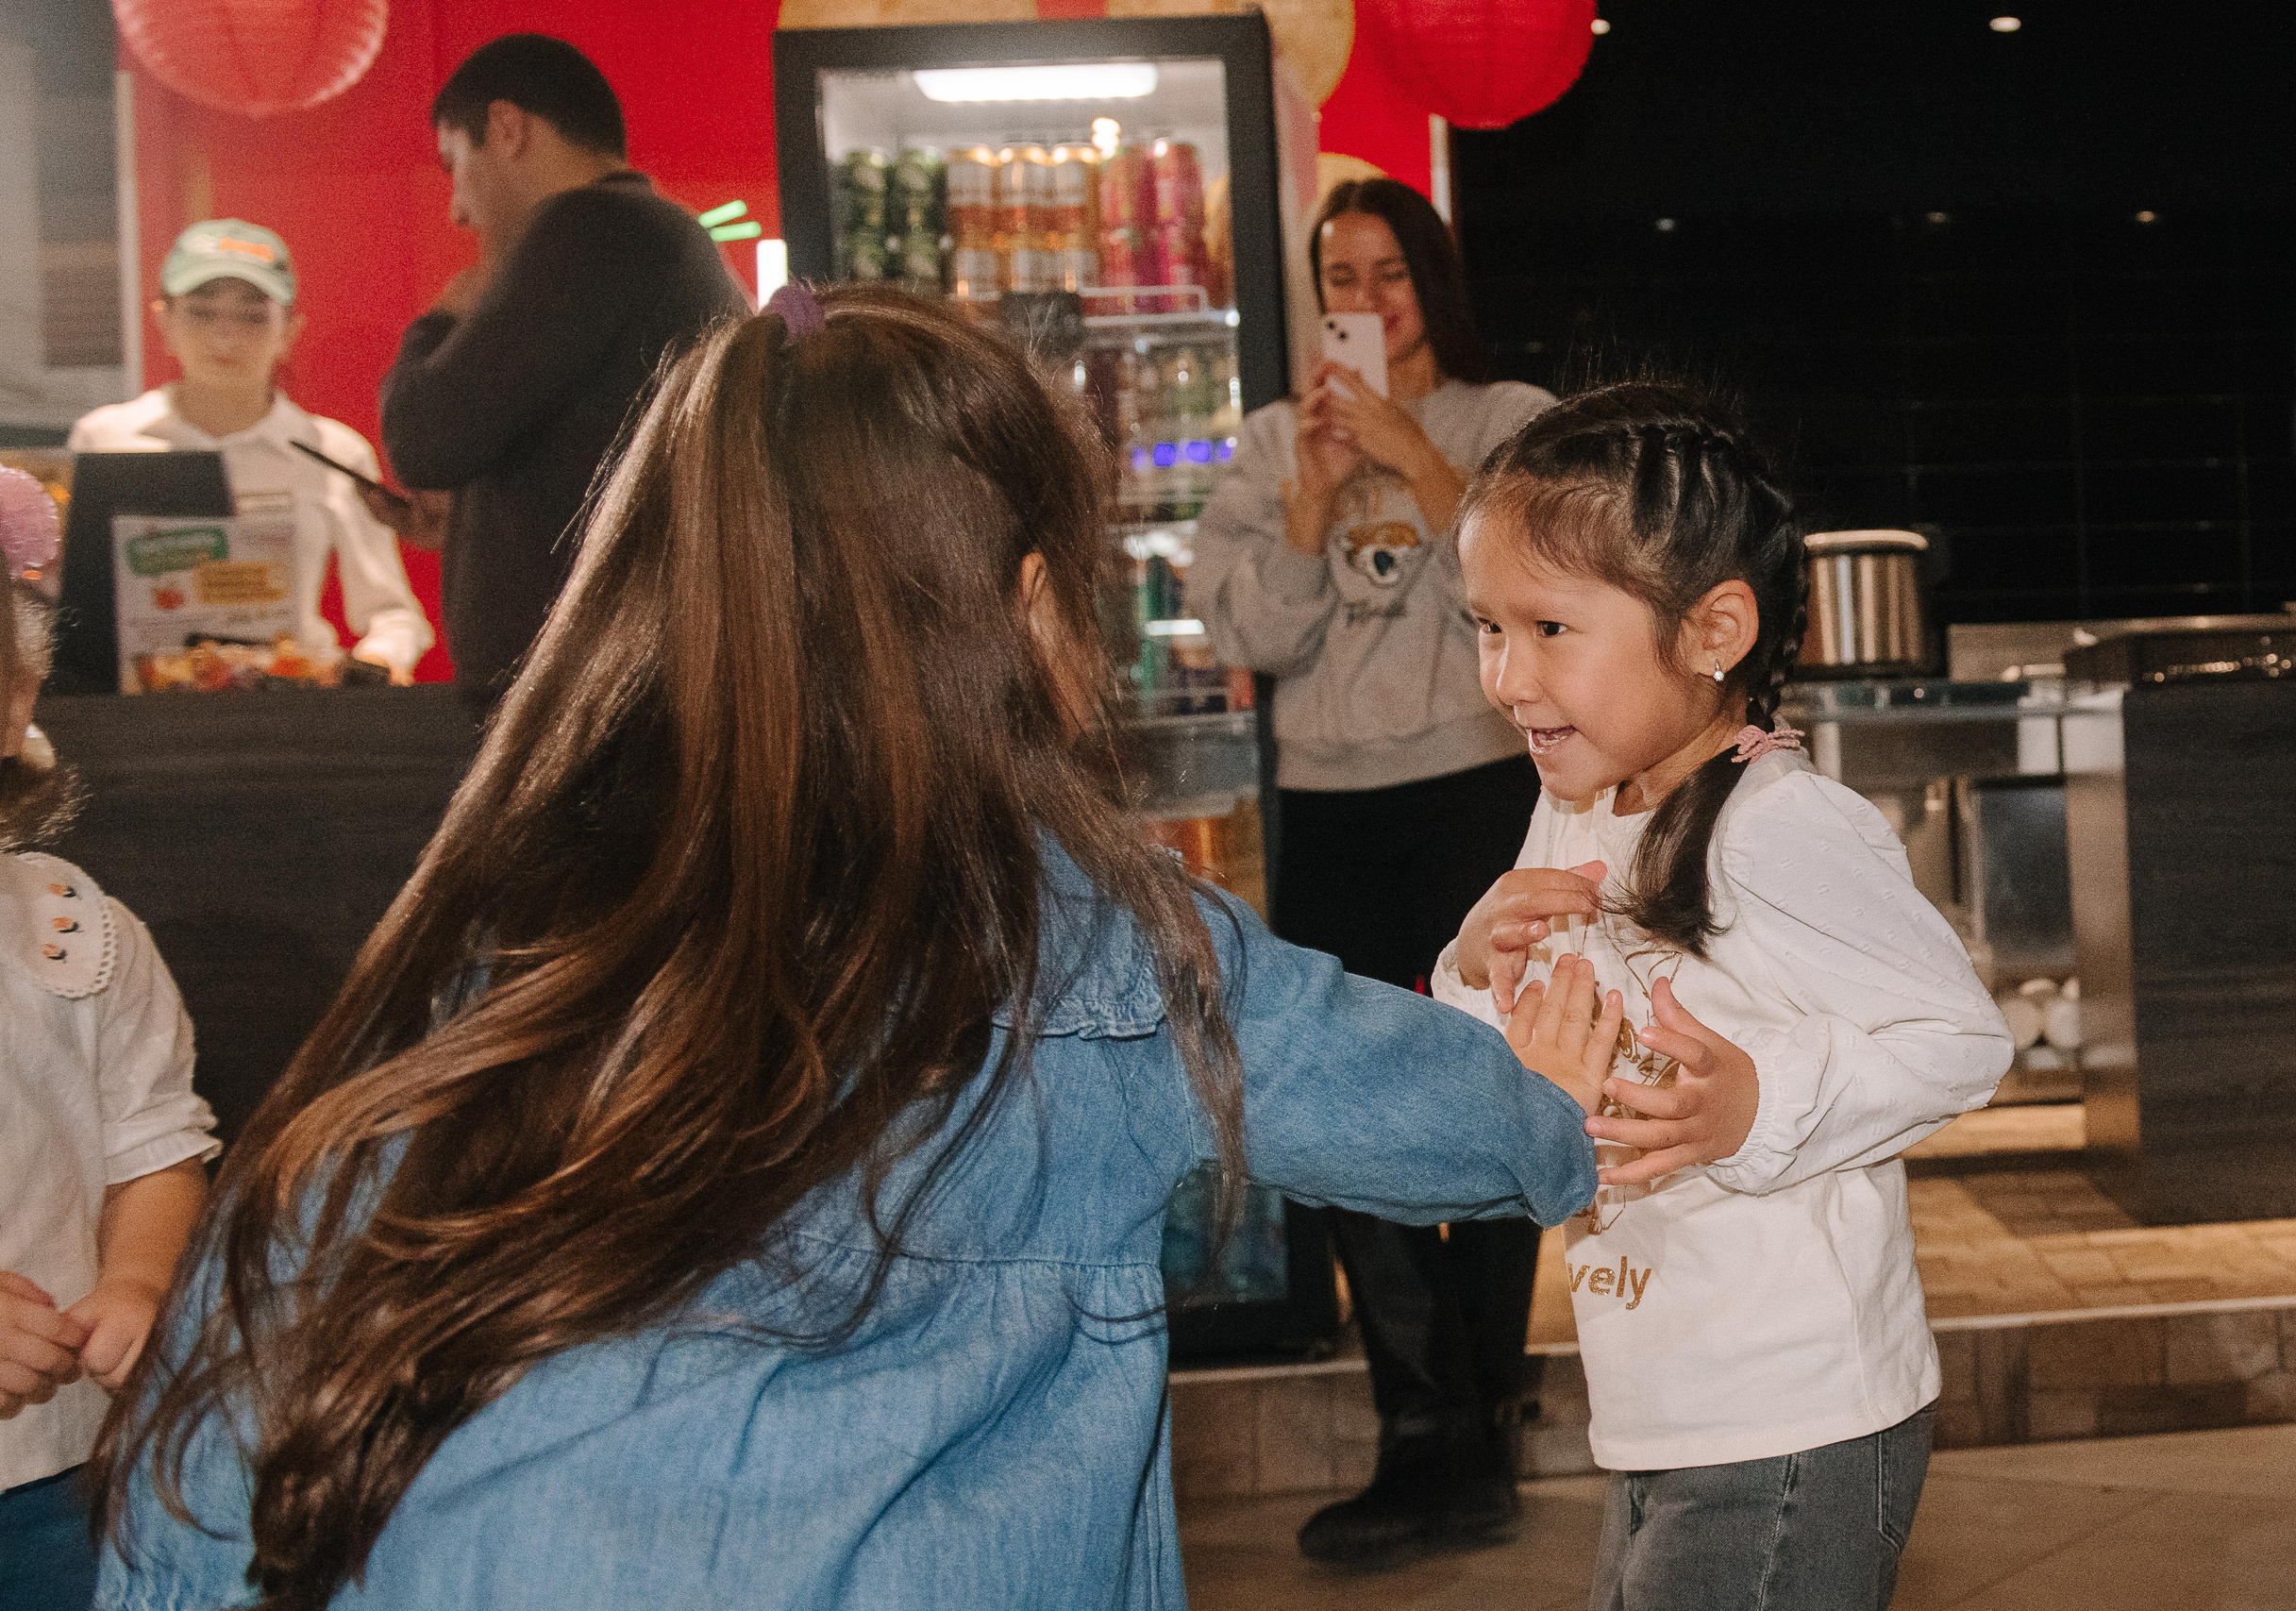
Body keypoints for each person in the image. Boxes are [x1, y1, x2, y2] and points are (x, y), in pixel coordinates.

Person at [93, 285, 1617, 1611]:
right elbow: (1439, 1118)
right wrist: (1542, 1091)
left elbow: (206, 1467)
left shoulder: (488, 951)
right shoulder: (1092, 940)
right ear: (1026, 609)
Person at [1436, 382, 2015, 1611]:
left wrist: (1756, 1105)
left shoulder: (1778, 826)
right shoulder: (1580, 801)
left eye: (1548, 628)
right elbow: (1533, 1044)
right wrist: (1473, 963)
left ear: (1713, 630)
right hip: (1659, 1391)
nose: (1504, 673)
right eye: (1485, 625)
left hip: (1794, 1412)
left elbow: (1961, 1037)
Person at [1188, 176, 1557, 1566]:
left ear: (1432, 280)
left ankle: (1471, 1428)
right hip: (1329, 803)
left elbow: (1521, 581)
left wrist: (1407, 449)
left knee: (1499, 1076)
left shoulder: (1504, 417)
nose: (1363, 301)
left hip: (1477, 786)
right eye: (1339, 275)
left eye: (1387, 272)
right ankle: (1432, 1428)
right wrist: (1310, 502)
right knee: (1328, 1094)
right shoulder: (1273, 440)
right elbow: (1261, 638)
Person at [0, 467, 219, 1611]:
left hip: (60, 1473)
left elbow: (153, 1142)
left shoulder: (76, 935)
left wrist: (136, 1281)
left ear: (14, 703)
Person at [377, 33, 746, 699]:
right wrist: (473, 522)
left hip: (596, 704)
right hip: (623, 685)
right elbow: (591, 467)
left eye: (453, 162)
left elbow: (424, 437)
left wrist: (442, 318)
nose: (457, 207)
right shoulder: (649, 234)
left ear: (506, 128)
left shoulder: (595, 226)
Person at [68, 222, 433, 684]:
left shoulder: (334, 452)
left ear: (289, 331)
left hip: (291, 714)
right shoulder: (103, 439)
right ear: (165, 323)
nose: (226, 336)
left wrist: (371, 671)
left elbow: (392, 615)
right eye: (202, 312)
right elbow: (63, 605)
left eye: (253, 316)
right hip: (138, 719)